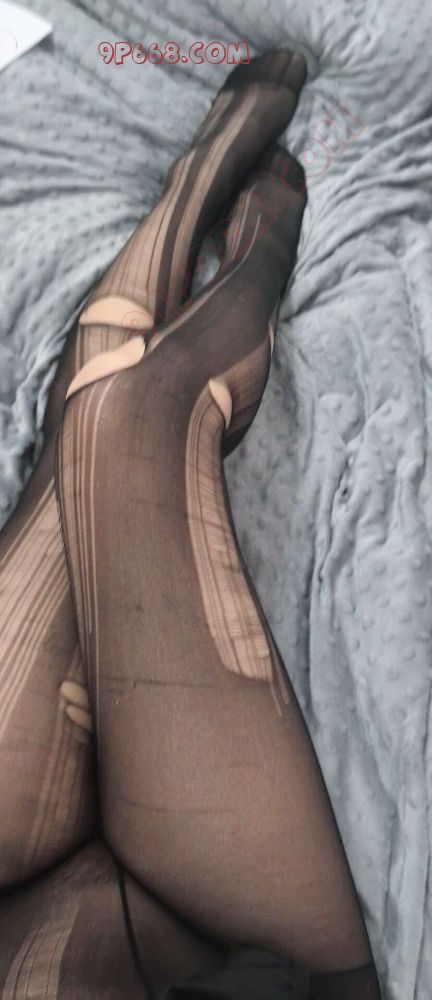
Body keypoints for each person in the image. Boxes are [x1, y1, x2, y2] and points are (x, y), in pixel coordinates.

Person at [0, 51, 381, 1000]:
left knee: (93, 424)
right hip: (236, 931)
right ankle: (248, 254)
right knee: (122, 413)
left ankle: (190, 193)